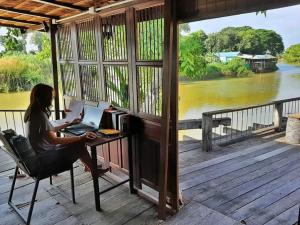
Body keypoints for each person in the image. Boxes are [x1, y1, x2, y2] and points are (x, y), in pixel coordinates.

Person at [24, 83, 109, 176]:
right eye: (50, 96)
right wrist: (81, 137)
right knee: (79, 145)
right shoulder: (40, 115)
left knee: (78, 143)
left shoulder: (33, 112)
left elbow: (51, 129)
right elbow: (54, 140)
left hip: (42, 154)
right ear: (44, 97)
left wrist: (70, 123)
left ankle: (90, 167)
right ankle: (93, 170)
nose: (52, 99)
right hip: (45, 160)